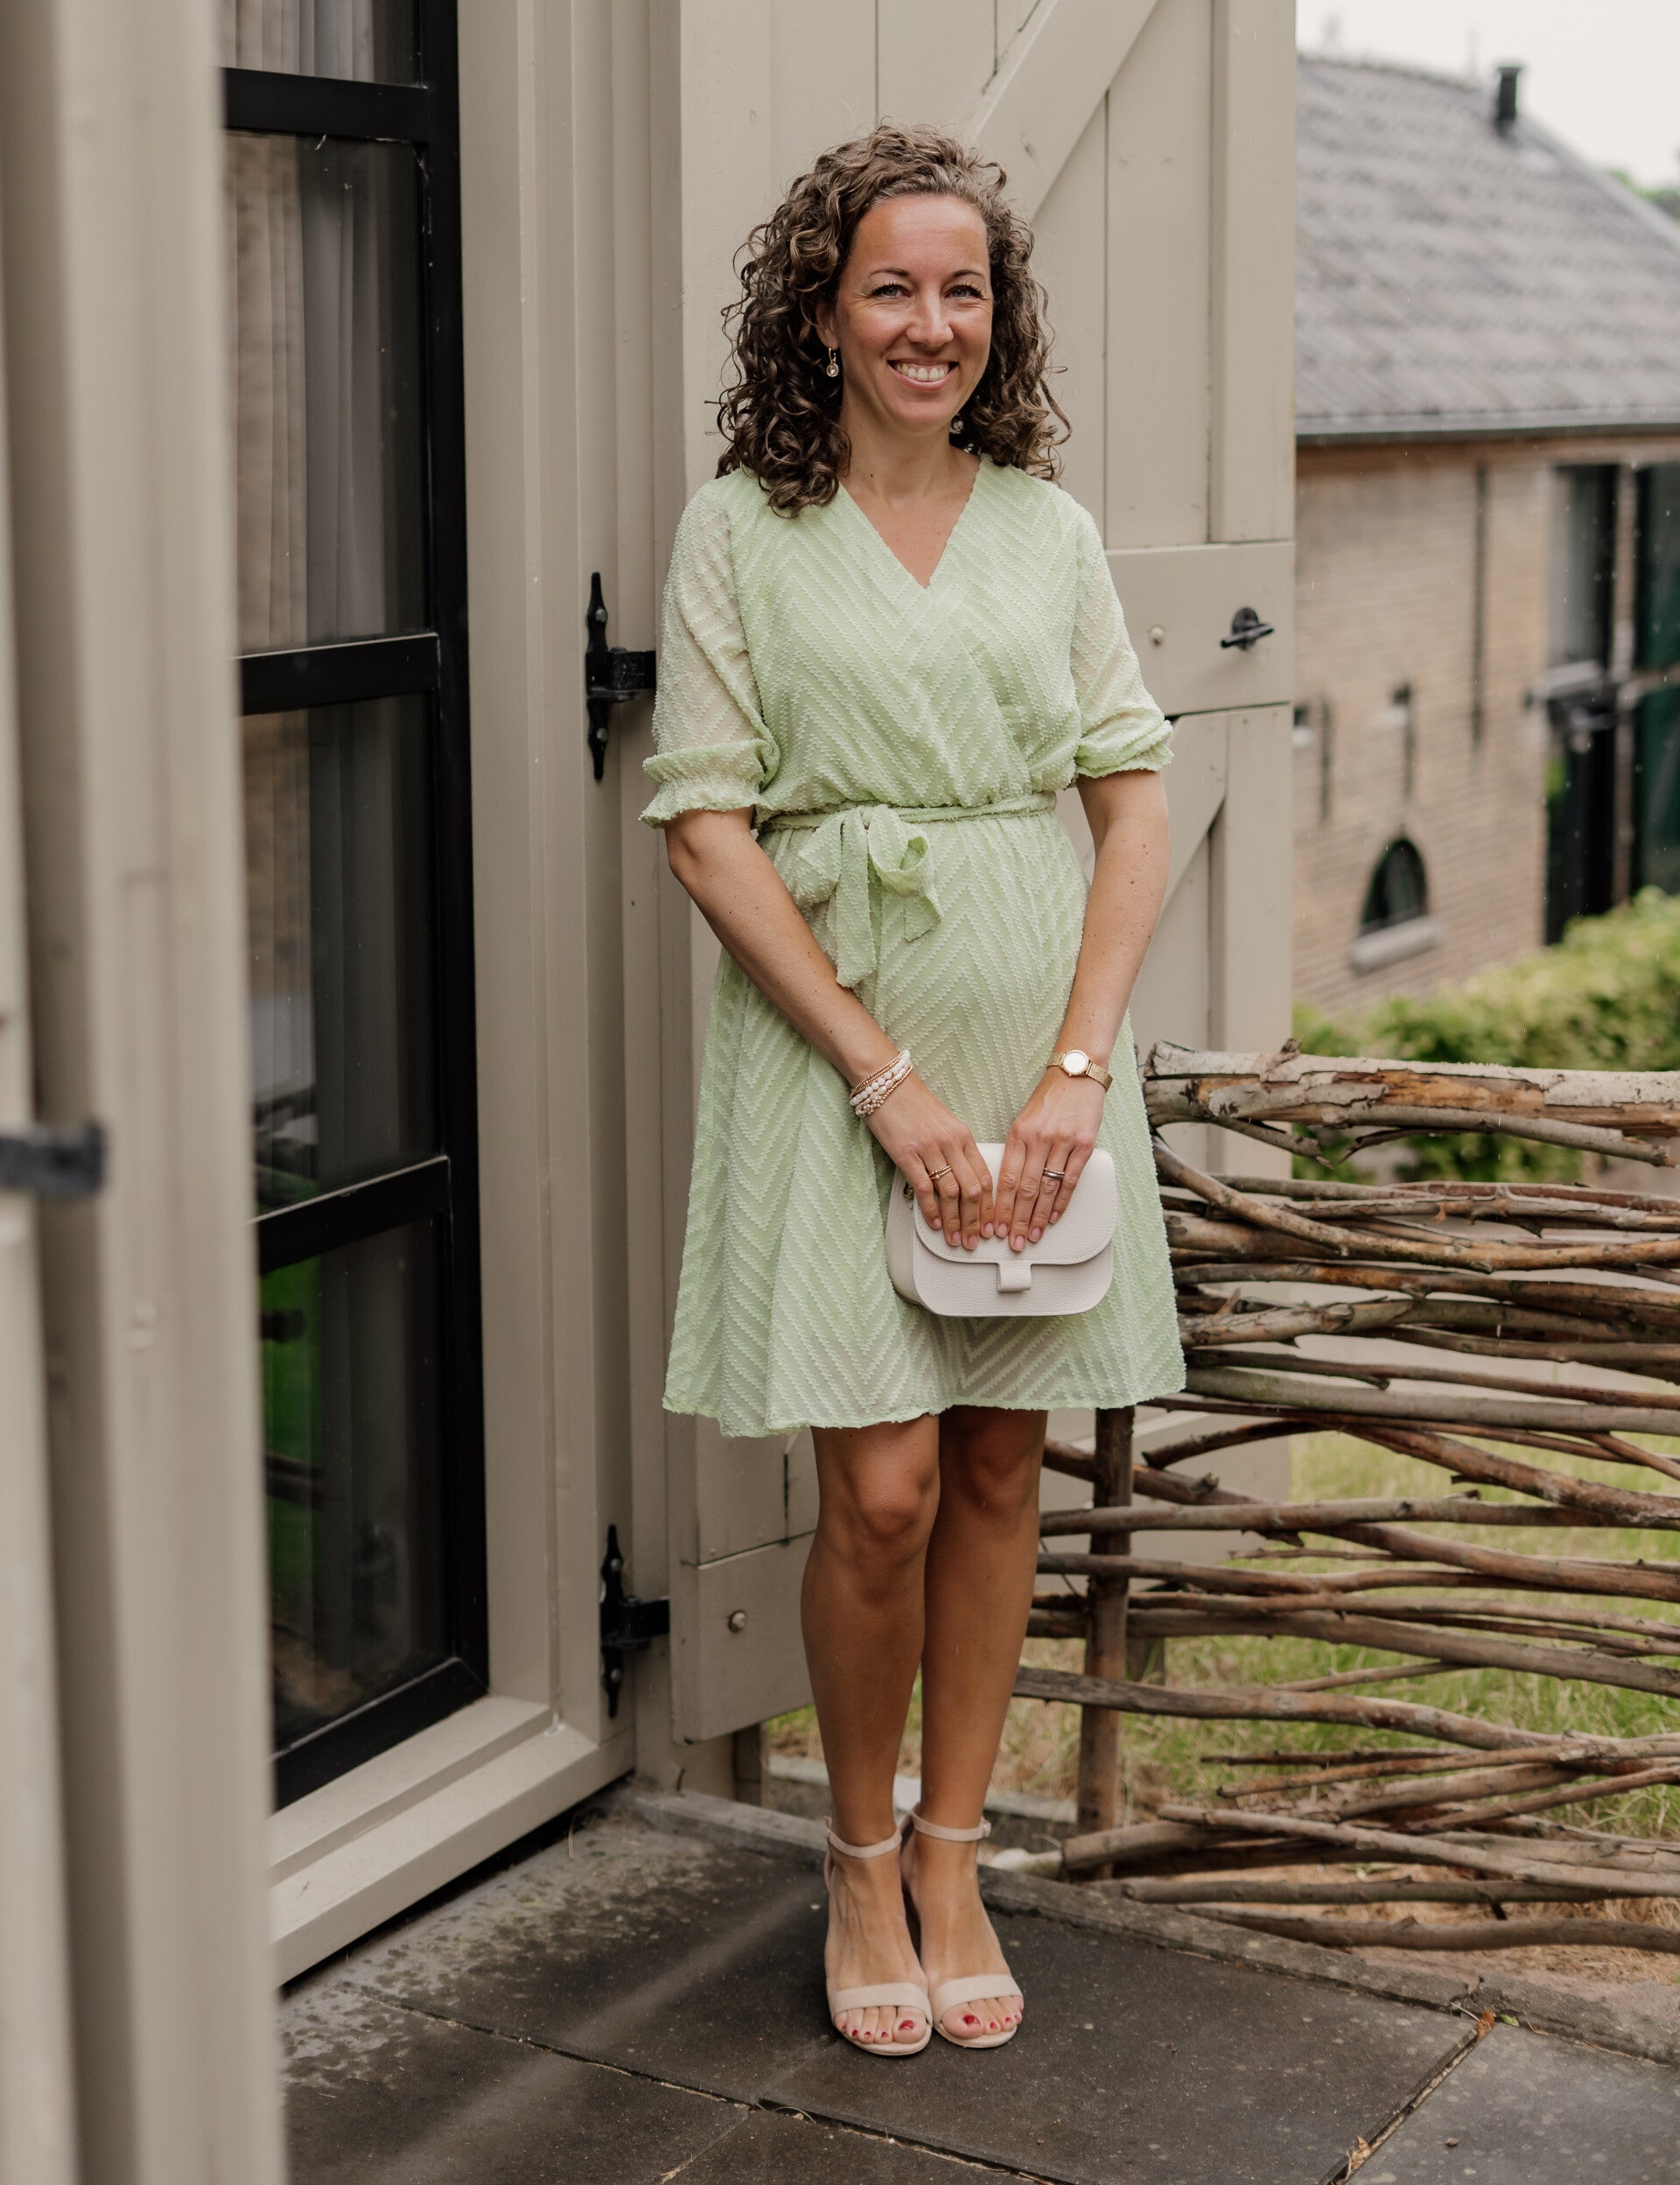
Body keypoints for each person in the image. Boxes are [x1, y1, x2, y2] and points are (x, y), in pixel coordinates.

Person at [642, 123, 1182, 2056]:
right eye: (891, 286)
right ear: (823, 310)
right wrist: (884, 1078)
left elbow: (1133, 806)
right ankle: (857, 1860)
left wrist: (1072, 1073)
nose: (929, 323)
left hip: (1035, 1055)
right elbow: (705, 828)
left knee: (999, 1464)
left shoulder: (1050, 531)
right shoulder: (740, 530)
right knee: (876, 1490)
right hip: (835, 1060)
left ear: (996, 319)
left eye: (964, 290)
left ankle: (958, 1858)